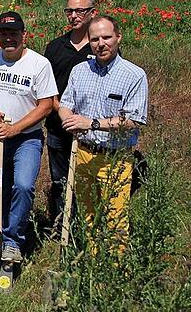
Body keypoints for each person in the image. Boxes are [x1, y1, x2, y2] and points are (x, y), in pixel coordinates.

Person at [0, 11, 57, 263]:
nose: (9, 38)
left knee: (23, 185)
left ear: (24, 35)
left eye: (14, 33)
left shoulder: (39, 64)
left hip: (26, 139)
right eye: (4, 33)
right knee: (2, 187)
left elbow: (46, 105)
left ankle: (12, 241)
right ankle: (4, 229)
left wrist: (16, 128)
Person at [58, 15, 148, 248]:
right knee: (88, 218)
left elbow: (133, 120)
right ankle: (92, 268)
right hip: (83, 154)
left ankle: (115, 275)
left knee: (115, 222)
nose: (101, 43)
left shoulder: (134, 75)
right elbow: (66, 104)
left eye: (107, 37)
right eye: (95, 38)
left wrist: (91, 123)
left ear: (118, 37)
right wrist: (68, 119)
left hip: (115, 158)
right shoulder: (80, 71)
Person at [43, 0, 97, 235]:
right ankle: (62, 226)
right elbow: (45, 87)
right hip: (58, 125)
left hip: (90, 130)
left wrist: (85, 121)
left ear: (92, 13)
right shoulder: (55, 47)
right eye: (69, 11)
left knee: (87, 181)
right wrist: (62, 113)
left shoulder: (100, 46)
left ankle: (88, 227)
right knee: (60, 180)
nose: (73, 16)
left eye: (80, 11)